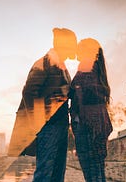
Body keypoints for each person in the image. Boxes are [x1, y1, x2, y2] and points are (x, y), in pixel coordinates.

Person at [8, 27, 77, 182]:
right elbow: (28, 93)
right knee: (44, 174)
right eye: (72, 44)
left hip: (60, 126)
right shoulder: (44, 63)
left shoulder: (61, 66)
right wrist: (41, 121)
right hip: (48, 127)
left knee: (57, 174)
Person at [69, 38, 113, 182]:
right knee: (97, 171)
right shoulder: (96, 71)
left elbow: (77, 93)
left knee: (93, 173)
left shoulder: (86, 70)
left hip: (88, 127)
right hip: (97, 125)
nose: (76, 51)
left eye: (80, 48)